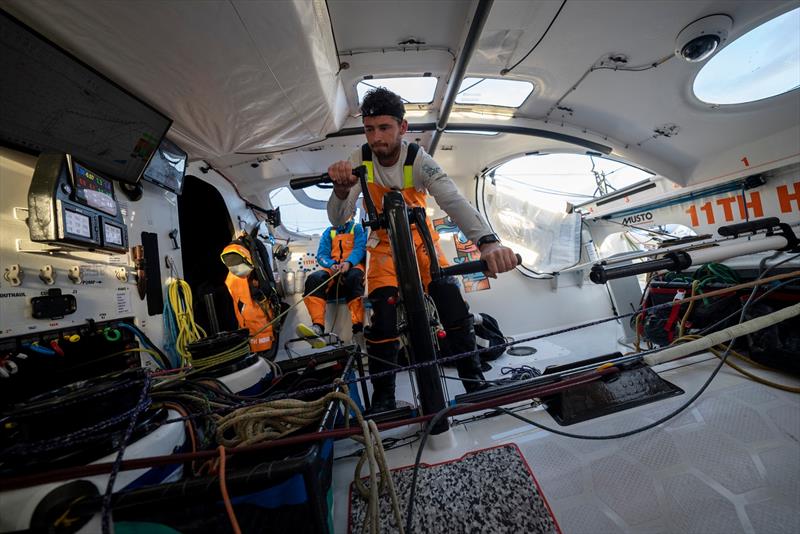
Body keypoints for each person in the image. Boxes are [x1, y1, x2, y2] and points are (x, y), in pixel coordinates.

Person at [326, 87, 519, 412]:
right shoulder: (358, 160)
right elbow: (338, 219)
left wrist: (488, 243)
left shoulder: (418, 160)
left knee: (451, 300)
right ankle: (384, 399)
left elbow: (453, 201)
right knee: (381, 319)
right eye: (370, 129)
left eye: (384, 128)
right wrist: (342, 191)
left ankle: (474, 380)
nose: (376, 137)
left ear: (402, 128)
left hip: (421, 245)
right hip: (383, 249)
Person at [296, 216, 366, 348]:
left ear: (351, 213)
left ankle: (358, 329)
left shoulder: (356, 228)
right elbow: (321, 255)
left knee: (354, 278)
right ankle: (317, 327)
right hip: (333, 270)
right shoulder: (328, 232)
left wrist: (348, 263)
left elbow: (360, 248)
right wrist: (332, 264)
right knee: (314, 279)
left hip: (353, 266)